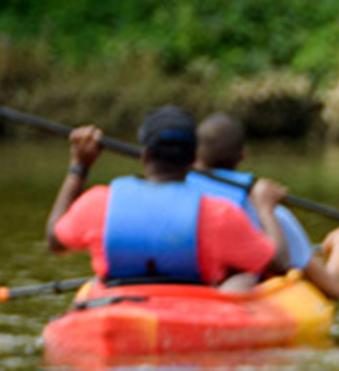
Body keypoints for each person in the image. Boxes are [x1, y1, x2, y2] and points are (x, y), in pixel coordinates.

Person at [48, 105, 293, 290]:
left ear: (145, 154)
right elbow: (279, 264)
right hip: (191, 316)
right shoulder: (220, 214)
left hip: (119, 310)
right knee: (243, 279)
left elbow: (54, 241)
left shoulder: (98, 203)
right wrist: (265, 207)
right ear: (192, 159)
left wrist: (79, 168)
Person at [189, 110, 339, 301]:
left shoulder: (179, 201)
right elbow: (333, 287)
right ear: (243, 154)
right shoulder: (274, 215)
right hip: (236, 300)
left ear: (194, 154)